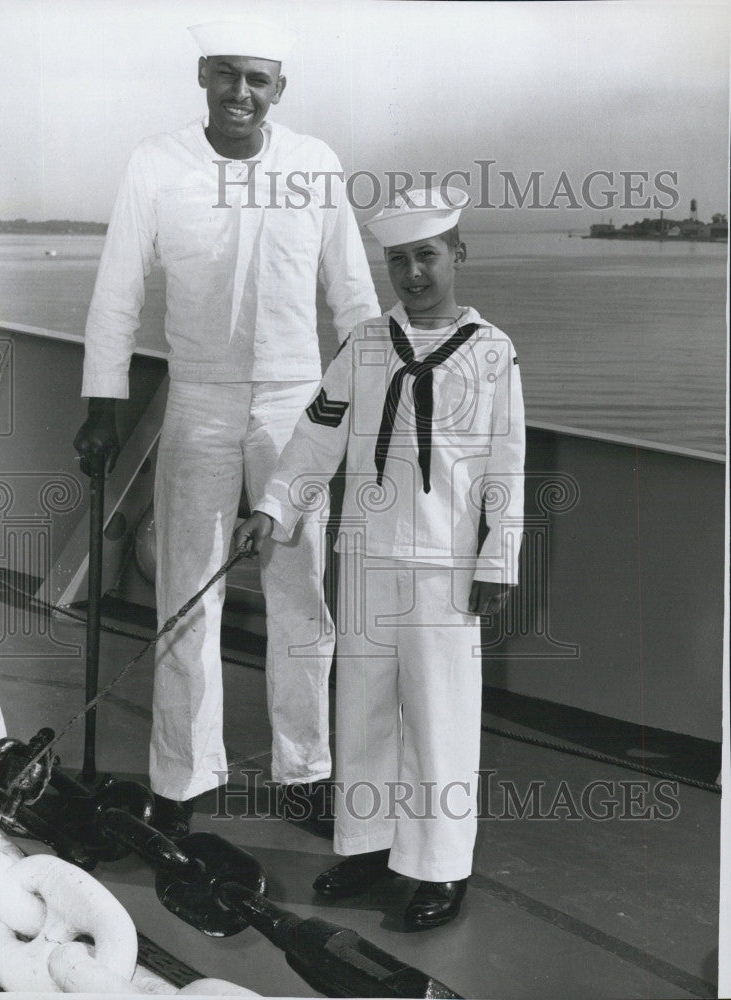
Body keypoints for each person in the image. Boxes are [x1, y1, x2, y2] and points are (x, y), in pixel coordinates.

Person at [73, 14, 379, 838]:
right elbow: (118, 289)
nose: (240, 92)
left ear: (281, 89)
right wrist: (102, 404)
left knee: (300, 592)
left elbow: (351, 294)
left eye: (258, 79)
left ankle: (306, 772)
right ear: (202, 74)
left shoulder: (314, 165)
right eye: (227, 74)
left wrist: (378, 403)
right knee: (186, 592)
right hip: (199, 398)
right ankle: (182, 777)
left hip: (295, 402)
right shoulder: (156, 163)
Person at [234, 187, 525, 929]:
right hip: (366, 558)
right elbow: (316, 436)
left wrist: (497, 561)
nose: (413, 273)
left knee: (440, 718)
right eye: (398, 261)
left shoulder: (491, 351)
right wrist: (273, 508)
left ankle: (440, 867)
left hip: (445, 567)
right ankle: (367, 848)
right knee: (362, 712)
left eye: (426, 255)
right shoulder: (365, 346)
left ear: (458, 254)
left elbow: (506, 467)